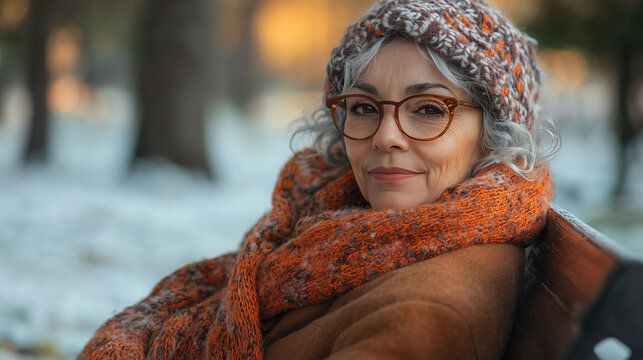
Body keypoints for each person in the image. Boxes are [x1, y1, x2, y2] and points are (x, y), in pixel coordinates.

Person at [78, 0, 557, 359]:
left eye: (429, 109)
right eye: (365, 108)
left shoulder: (428, 311)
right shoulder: (332, 233)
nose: (386, 136)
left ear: (495, 138)